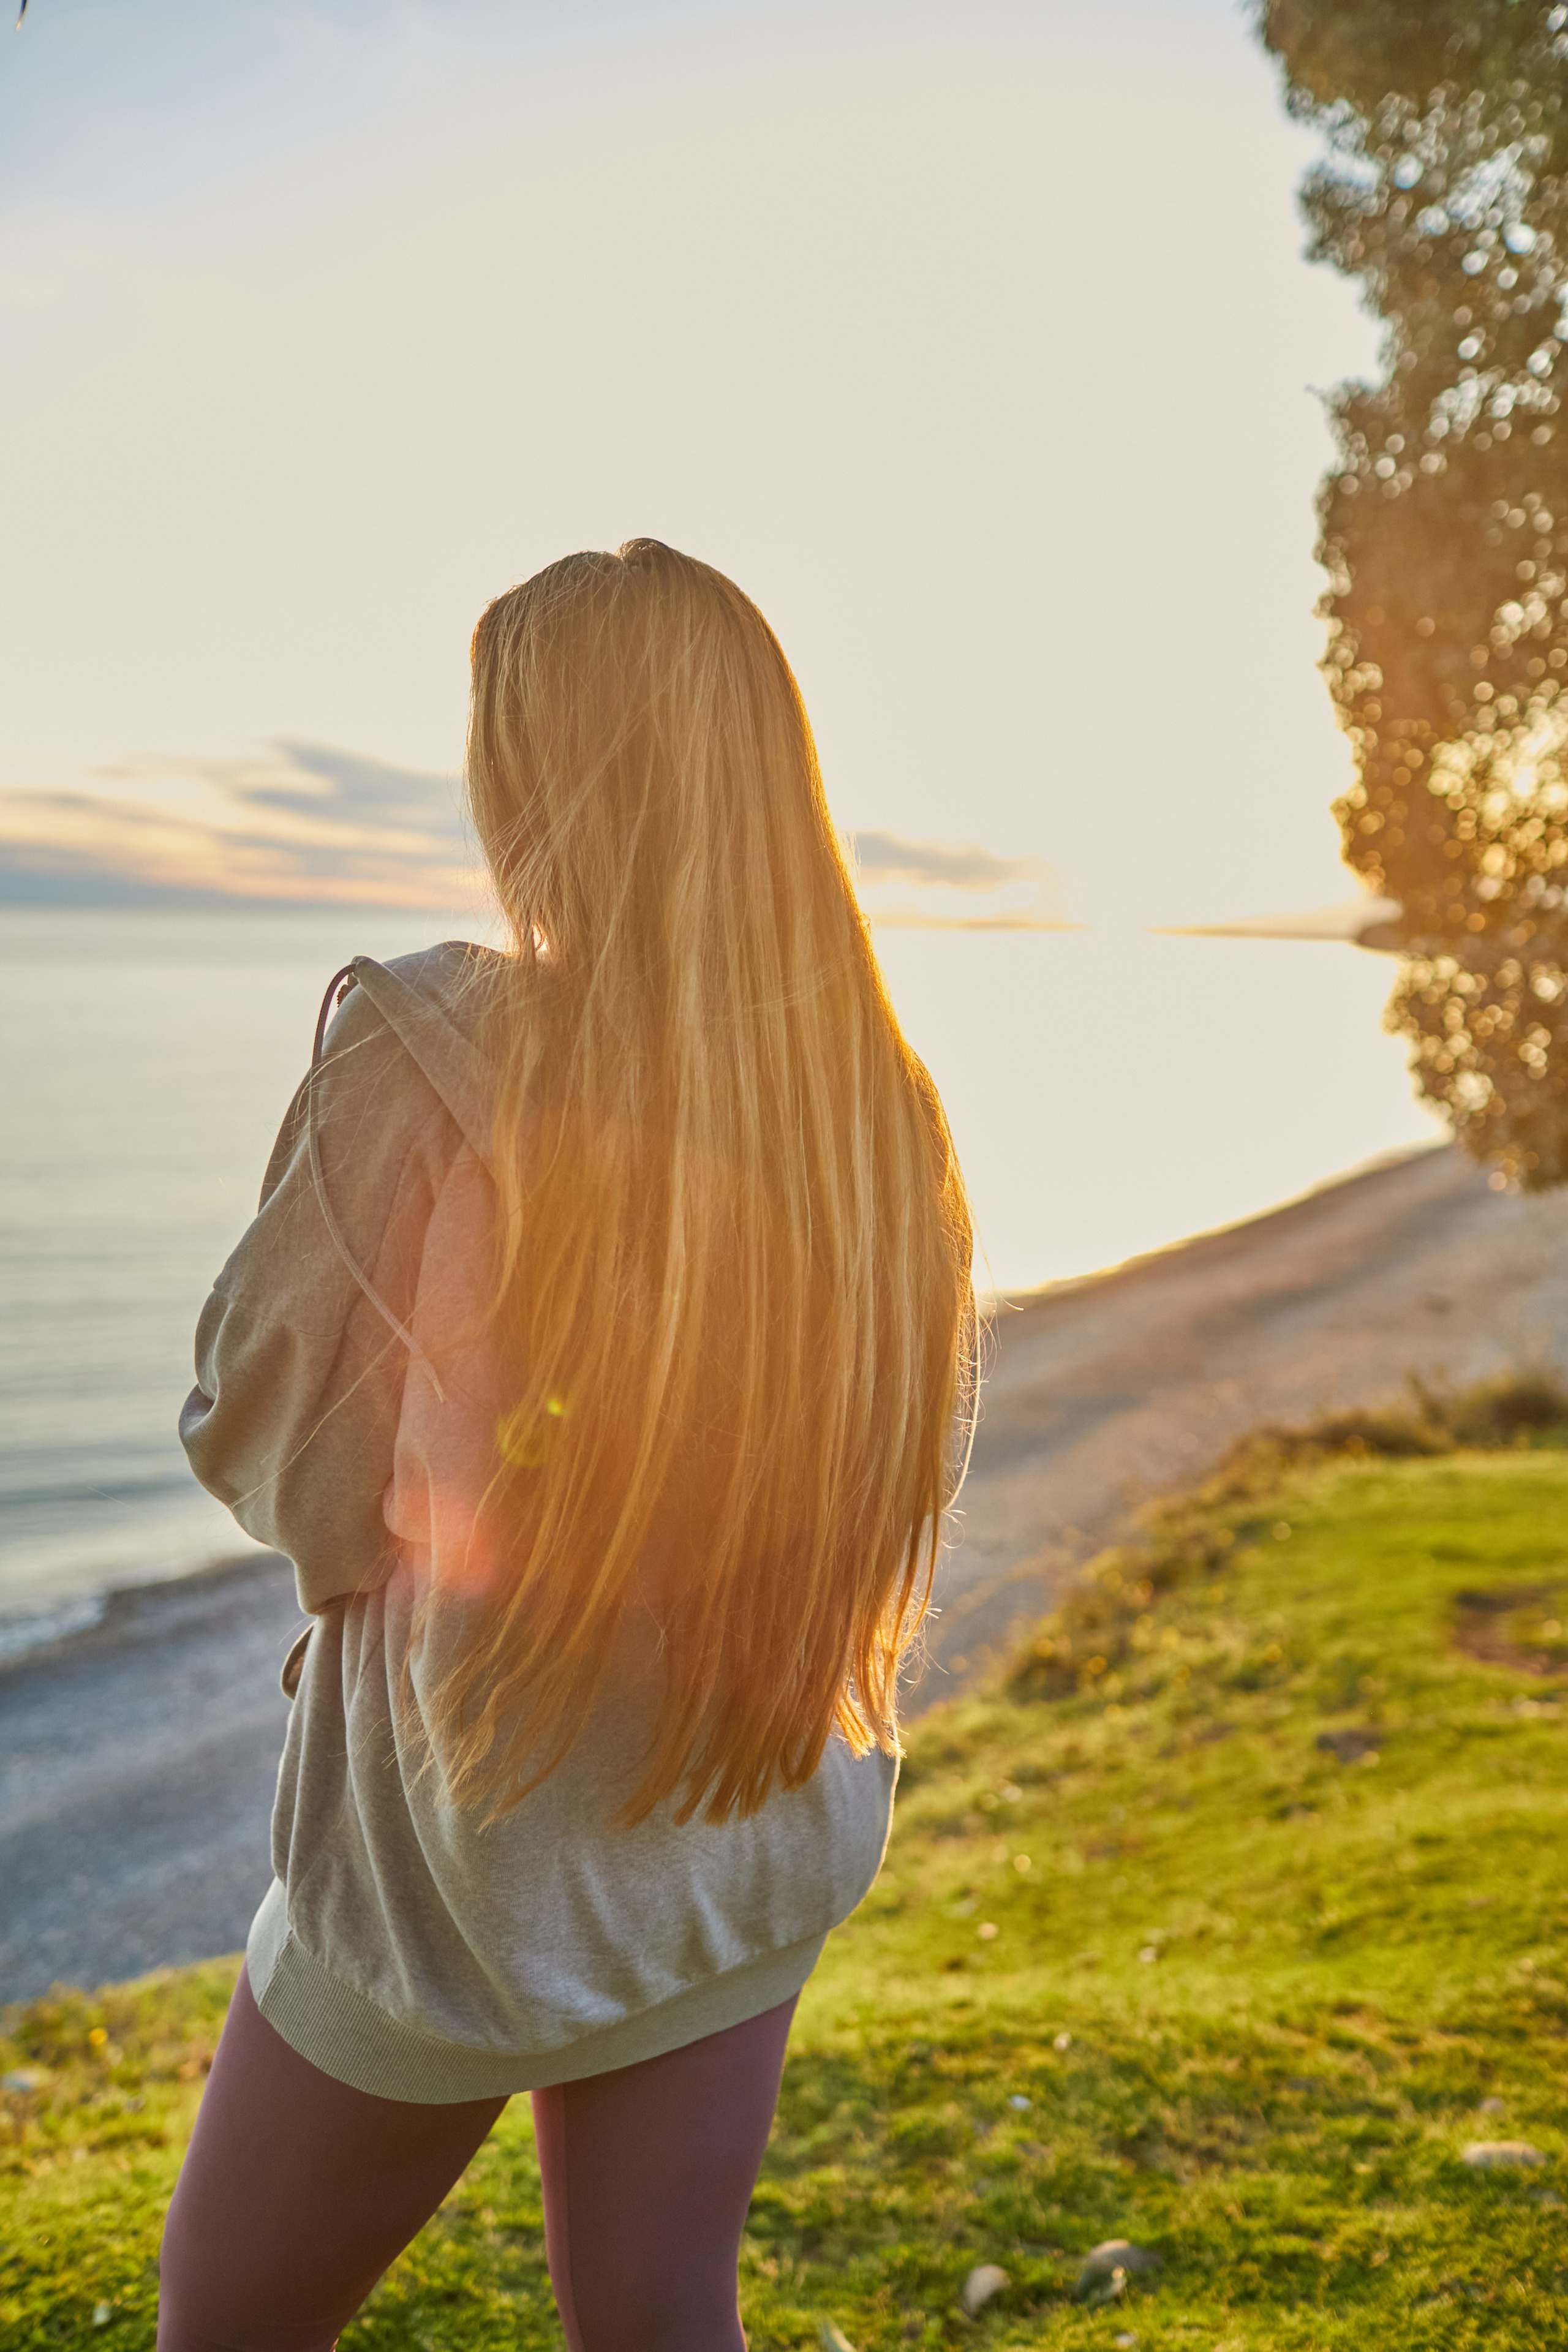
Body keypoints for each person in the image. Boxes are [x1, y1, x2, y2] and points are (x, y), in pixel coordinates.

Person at [156, 540, 977, 2352]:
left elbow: (259, 1436)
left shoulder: (429, 1053)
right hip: (743, 1811)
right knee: (663, 2318)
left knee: (223, 2321)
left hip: (476, 1858)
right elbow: (894, 1456)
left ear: (533, 778)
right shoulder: (877, 1097)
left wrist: (435, 1455)